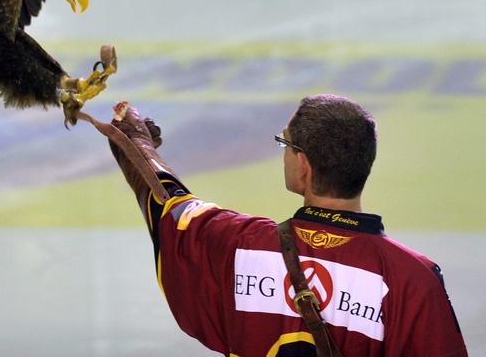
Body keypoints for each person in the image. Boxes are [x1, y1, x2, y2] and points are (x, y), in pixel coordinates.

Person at [105, 93, 467, 357]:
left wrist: (134, 140)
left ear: (304, 166)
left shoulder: (240, 245)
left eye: (285, 144)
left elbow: (170, 206)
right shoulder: (413, 279)